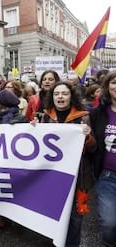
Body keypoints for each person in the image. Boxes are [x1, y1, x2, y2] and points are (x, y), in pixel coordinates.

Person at [37, 81, 95, 246]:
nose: (60, 97)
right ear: (52, 97)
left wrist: (88, 137)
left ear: (71, 96)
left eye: (64, 93)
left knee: (74, 220)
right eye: (56, 94)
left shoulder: (84, 117)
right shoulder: (45, 117)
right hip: (53, 176)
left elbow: (93, 148)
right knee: (54, 215)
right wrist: (32, 129)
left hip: (77, 179)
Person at [0, 89, 27, 231]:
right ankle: (2, 218)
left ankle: (14, 218)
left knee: (13, 190)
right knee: (0, 190)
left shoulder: (19, 118)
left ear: (3, 103)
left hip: (12, 161)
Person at [90, 71, 116, 246]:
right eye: (114, 82)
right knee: (109, 223)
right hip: (107, 177)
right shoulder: (97, 113)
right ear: (107, 87)